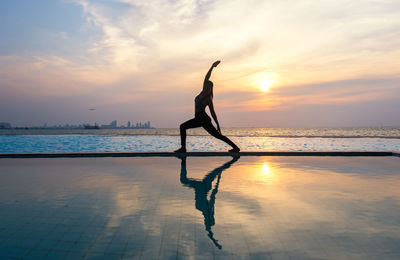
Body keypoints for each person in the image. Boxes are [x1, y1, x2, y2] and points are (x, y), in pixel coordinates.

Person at [174, 61, 240, 153]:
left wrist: (217, 124)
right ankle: (183, 148)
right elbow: (206, 77)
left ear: (211, 89)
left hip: (203, 118)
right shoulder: (201, 93)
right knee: (183, 127)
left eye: (209, 87)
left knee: (217, 136)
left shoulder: (208, 98)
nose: (206, 88)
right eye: (206, 86)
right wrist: (212, 67)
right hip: (198, 118)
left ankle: (236, 148)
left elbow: (212, 112)